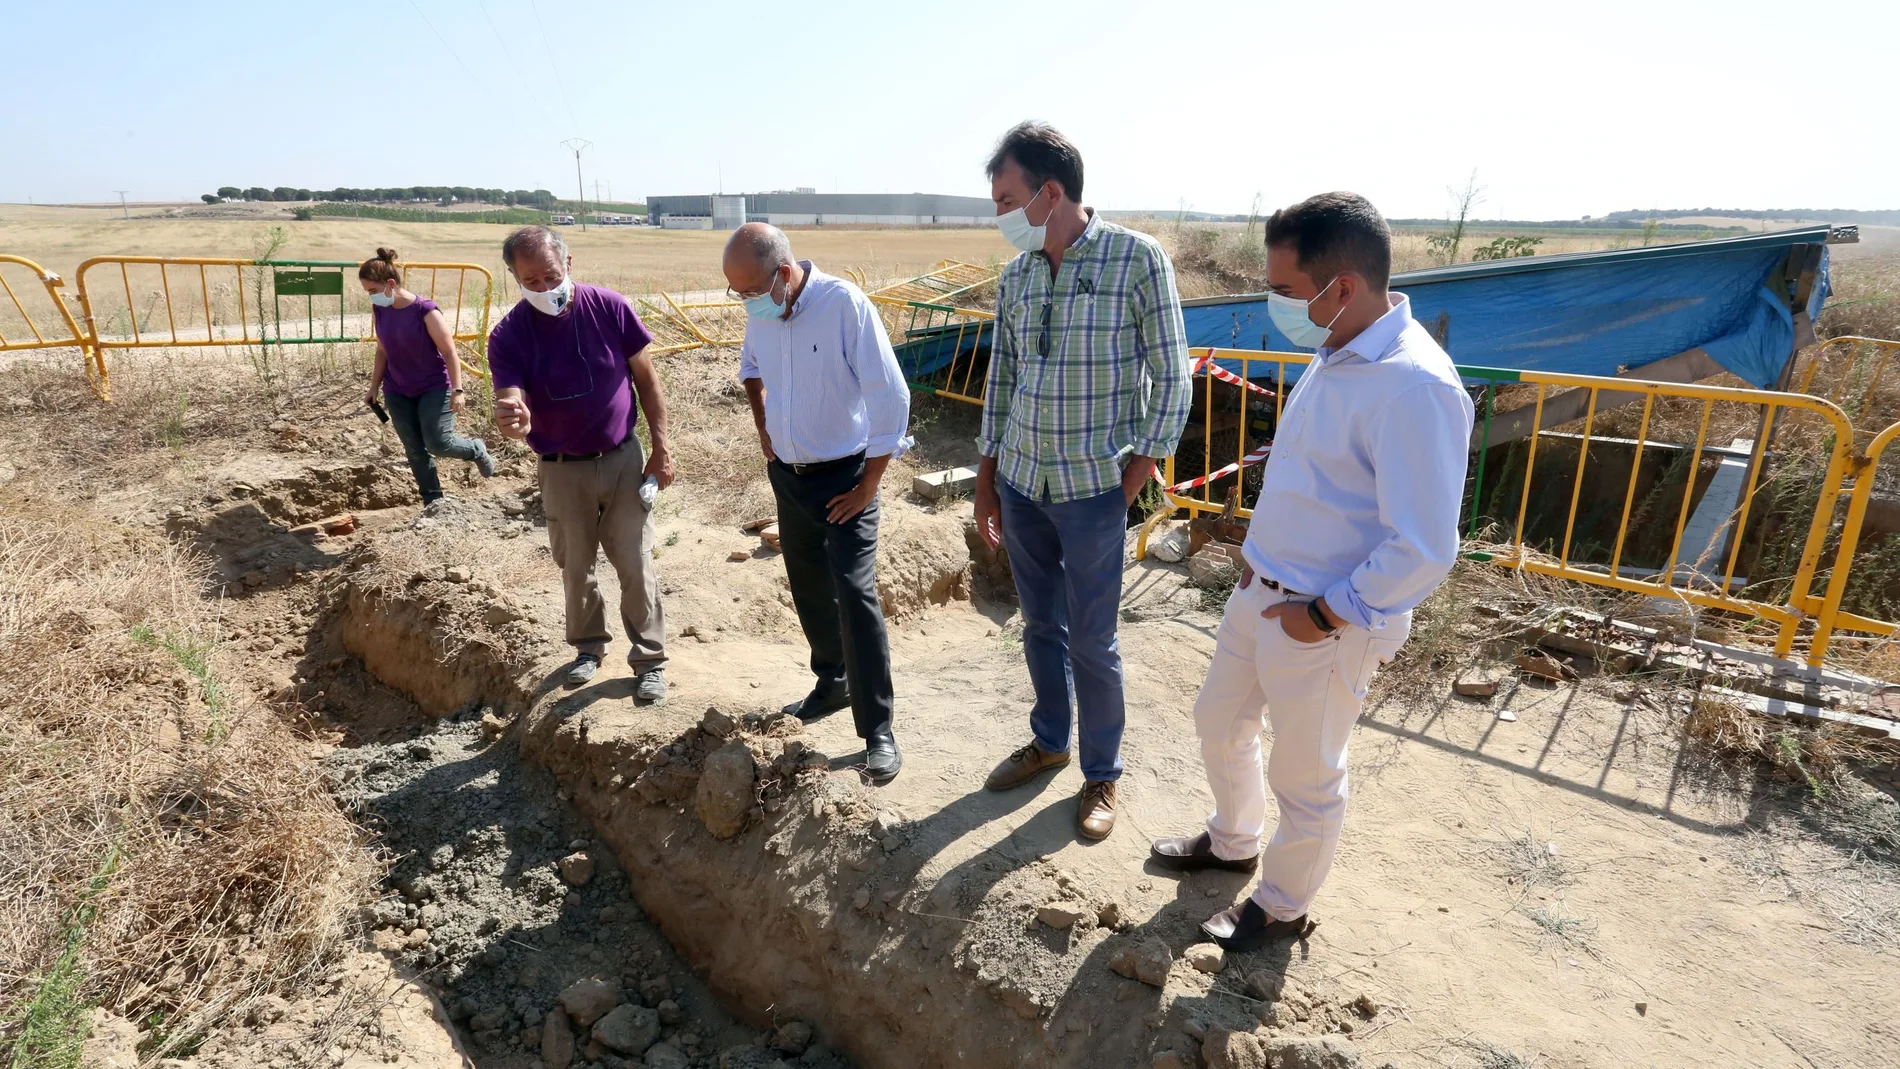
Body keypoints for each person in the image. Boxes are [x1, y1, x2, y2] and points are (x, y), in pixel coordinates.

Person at [1149, 193, 1475, 950]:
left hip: (1326, 621)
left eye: (1287, 291)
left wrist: (1326, 613)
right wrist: (1256, 562)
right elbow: (1310, 481)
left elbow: (1424, 544)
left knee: (1307, 774)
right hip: (1263, 592)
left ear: (1344, 288)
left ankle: (1283, 906)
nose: (1277, 306)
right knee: (1220, 721)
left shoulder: (1415, 385)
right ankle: (1233, 840)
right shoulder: (1337, 350)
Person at [973, 121, 1190, 840]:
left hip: (1096, 490)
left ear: (1052, 191)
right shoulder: (1019, 274)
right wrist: (987, 476)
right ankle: (1049, 740)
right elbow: (1002, 377)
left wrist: (1136, 476)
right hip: (1024, 484)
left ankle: (1102, 774)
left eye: (1007, 198)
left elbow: (1173, 376)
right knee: (1039, 623)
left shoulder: (1136, 260)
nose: (1000, 216)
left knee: (1094, 641)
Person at [724, 223, 911, 785]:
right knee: (807, 583)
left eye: (751, 291)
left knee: (853, 591)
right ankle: (832, 683)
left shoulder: (842, 306)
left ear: (783, 273)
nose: (746, 302)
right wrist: (765, 435)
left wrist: (867, 487)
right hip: (790, 477)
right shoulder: (764, 312)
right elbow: (752, 370)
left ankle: (877, 729)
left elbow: (891, 396)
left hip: (845, 477)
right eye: (737, 293)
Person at [487, 225, 674, 702]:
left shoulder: (609, 307)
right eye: (530, 281)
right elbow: (510, 400)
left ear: (568, 264)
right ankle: (588, 649)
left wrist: (661, 448)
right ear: (515, 279)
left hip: (621, 459)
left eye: (550, 275)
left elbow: (648, 383)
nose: (544, 288)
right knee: (575, 565)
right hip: (560, 468)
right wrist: (513, 418)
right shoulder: (509, 335)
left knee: (635, 560)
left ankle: (649, 659)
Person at [360, 247, 497, 502]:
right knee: (413, 448)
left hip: (433, 386)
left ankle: (476, 449)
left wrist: (458, 390)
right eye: (367, 292)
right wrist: (373, 387)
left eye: (373, 291)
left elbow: (449, 352)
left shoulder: (425, 310)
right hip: (397, 388)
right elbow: (382, 351)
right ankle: (432, 499)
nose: (371, 298)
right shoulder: (380, 309)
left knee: (438, 443)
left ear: (391, 284)